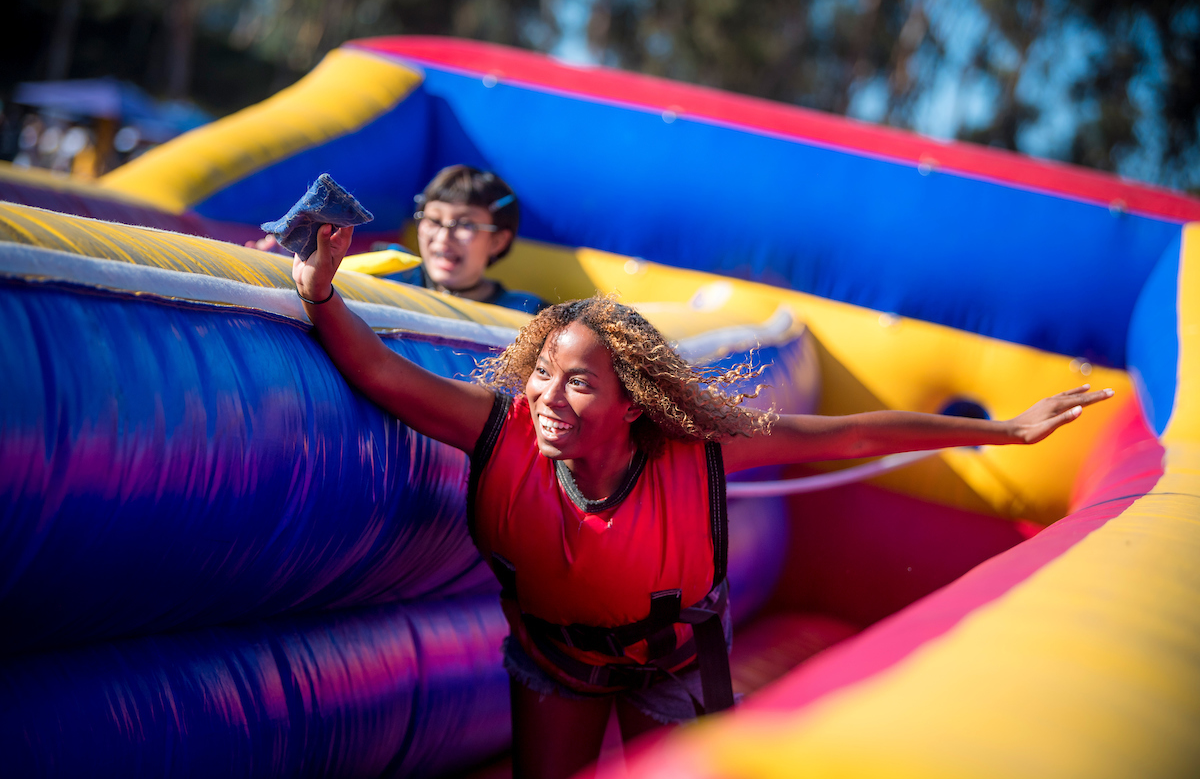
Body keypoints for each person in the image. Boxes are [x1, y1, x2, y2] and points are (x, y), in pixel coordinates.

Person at [292, 223, 1112, 779]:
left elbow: (849, 435)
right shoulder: (497, 431)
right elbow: (381, 376)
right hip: (553, 659)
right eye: (543, 374)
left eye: (578, 382)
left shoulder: (696, 448)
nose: (547, 397)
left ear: (635, 403)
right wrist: (323, 292)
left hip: (670, 664)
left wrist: (1004, 433)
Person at [248, 165, 547, 314]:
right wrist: (288, 257)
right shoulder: (389, 271)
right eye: (433, 220)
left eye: (465, 224)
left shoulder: (525, 312)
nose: (444, 236)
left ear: (497, 241)